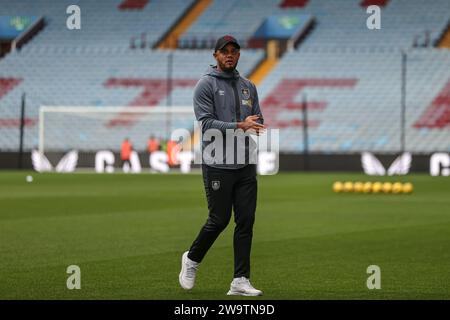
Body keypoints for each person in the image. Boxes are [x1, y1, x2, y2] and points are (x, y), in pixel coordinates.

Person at [179, 35, 266, 296]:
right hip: (217, 164)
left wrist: (256, 123)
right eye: (224, 51)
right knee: (219, 220)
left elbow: (258, 116)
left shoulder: (248, 86)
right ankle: (191, 259)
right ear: (215, 55)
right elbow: (205, 124)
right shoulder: (204, 86)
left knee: (246, 221)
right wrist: (240, 125)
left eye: (234, 51)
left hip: (245, 163)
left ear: (239, 55)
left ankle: (240, 280)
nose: (229, 55)